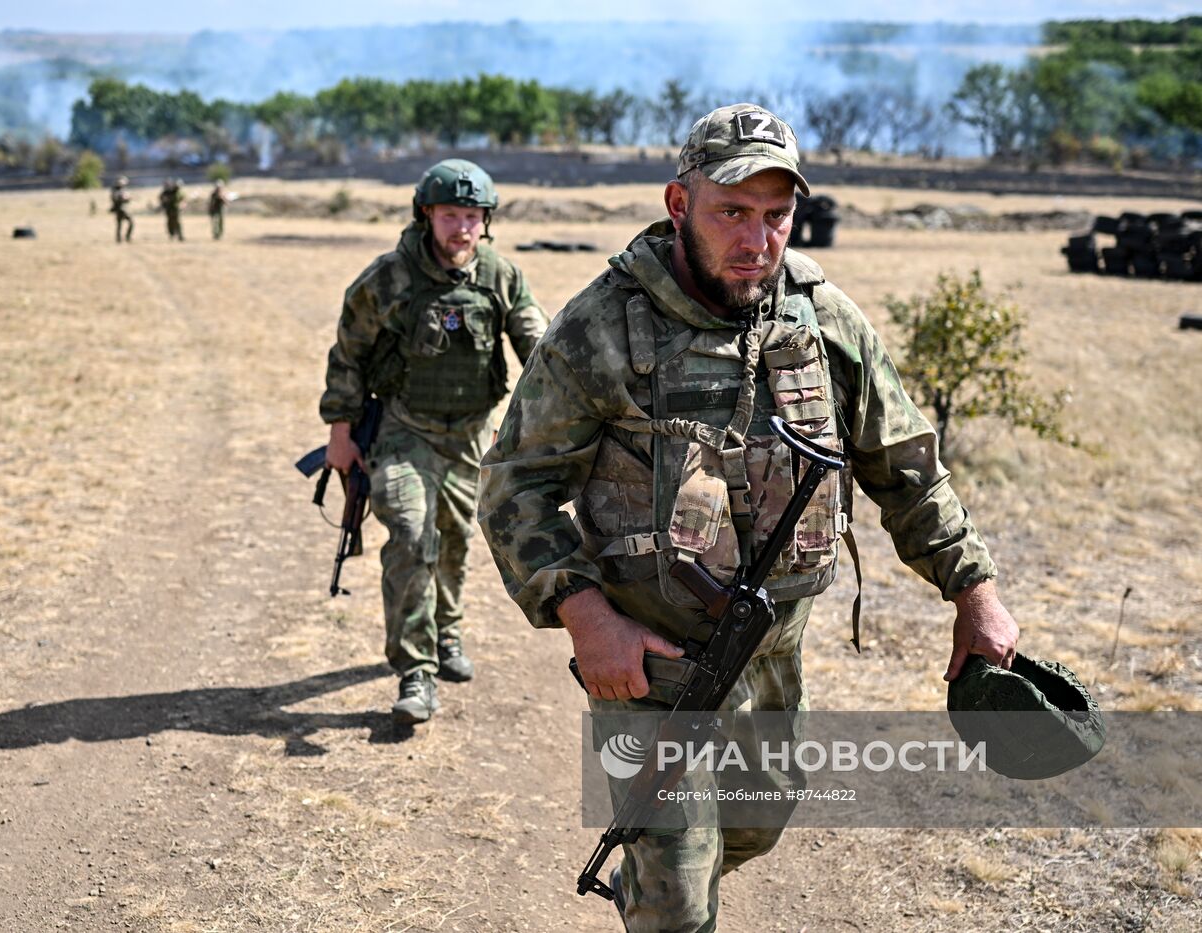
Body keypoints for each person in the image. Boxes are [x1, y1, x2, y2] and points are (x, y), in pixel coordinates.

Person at [477, 104, 1019, 932]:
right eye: (733, 211)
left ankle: (657, 876)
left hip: (773, 653)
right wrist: (587, 618)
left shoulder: (820, 317)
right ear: (679, 203)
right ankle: (664, 885)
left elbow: (903, 463)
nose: (757, 239)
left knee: (758, 822)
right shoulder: (602, 328)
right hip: (652, 665)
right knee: (683, 900)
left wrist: (973, 588)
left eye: (776, 215)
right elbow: (513, 485)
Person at [320, 160, 550, 726]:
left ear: (485, 221)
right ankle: (415, 671)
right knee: (409, 533)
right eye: (451, 214)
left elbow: (539, 352)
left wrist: (544, 422)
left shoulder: (500, 276)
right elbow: (348, 355)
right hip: (404, 430)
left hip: (471, 436)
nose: (462, 227)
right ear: (427, 215)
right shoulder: (388, 280)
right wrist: (340, 434)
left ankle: (447, 633)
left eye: (473, 216)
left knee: (452, 541)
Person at [159, 177, 185, 241]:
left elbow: (177, 189)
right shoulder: (164, 193)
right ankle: (172, 234)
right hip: (168, 209)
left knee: (176, 222)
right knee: (170, 222)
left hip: (174, 209)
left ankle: (180, 236)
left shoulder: (173, 191)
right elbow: (162, 200)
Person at [110, 176, 133, 243]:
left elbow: (126, 199)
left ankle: (119, 239)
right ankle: (124, 238)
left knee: (120, 224)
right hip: (120, 209)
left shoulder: (122, 189)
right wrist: (123, 198)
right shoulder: (116, 190)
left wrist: (128, 198)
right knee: (128, 222)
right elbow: (115, 199)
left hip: (121, 209)